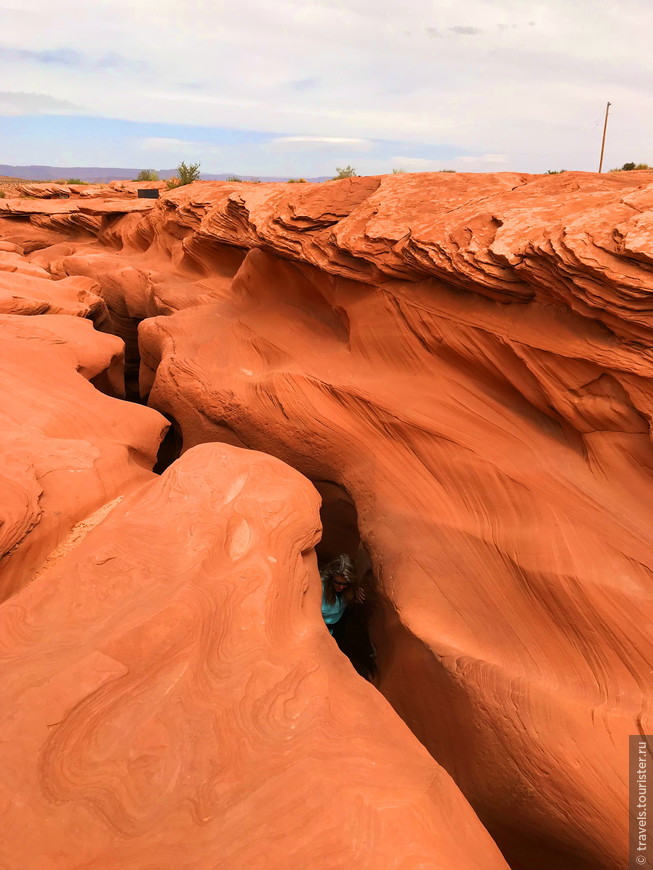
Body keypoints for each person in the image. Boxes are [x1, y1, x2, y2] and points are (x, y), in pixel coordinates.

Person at [320, 554, 365, 634]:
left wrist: (355, 592)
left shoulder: (350, 587)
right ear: (331, 577)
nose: (341, 587)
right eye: (337, 582)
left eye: (345, 584)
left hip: (338, 623)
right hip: (322, 628)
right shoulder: (319, 587)